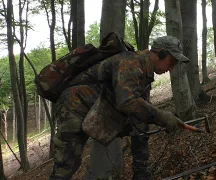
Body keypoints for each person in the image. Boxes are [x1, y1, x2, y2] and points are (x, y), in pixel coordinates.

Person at [49, 35, 190, 180]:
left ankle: (140, 173)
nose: (171, 69)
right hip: (73, 105)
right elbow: (127, 102)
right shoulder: (130, 63)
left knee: (141, 124)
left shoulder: (144, 72)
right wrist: (162, 117)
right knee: (67, 161)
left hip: (97, 108)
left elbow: (140, 110)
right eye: (171, 63)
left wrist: (160, 120)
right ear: (161, 53)